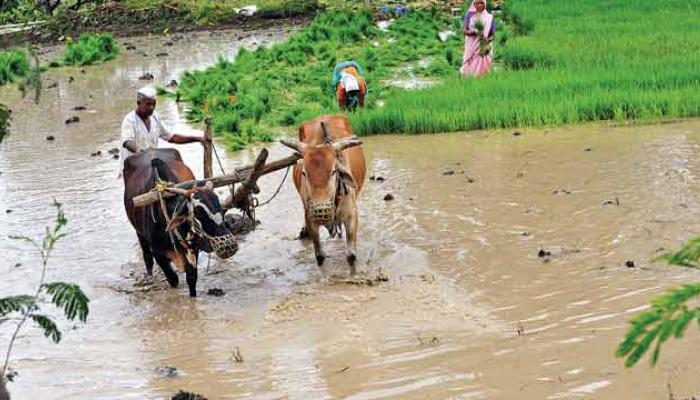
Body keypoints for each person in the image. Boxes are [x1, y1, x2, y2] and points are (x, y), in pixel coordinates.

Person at [120, 86, 207, 167]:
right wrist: (139, 151)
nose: (151, 107)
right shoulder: (130, 120)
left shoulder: (155, 117)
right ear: (138, 103)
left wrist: (197, 138)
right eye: (148, 104)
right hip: (134, 165)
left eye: (153, 104)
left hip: (152, 162)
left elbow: (171, 138)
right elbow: (127, 142)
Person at [461, 0, 496, 77]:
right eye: (478, 3)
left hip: (484, 47)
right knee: (469, 68)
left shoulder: (490, 17)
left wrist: (487, 40)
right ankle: (470, 81)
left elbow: (493, 35)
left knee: (485, 69)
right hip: (471, 47)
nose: (480, 5)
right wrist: (474, 32)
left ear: (485, 4)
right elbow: (464, 31)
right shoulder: (469, 15)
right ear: (474, 4)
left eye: (482, 3)